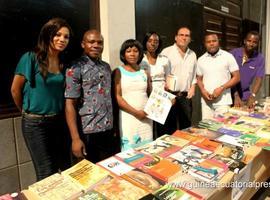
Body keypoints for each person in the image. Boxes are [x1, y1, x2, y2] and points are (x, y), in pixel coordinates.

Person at [10, 18, 72, 180]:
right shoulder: (31, 58)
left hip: (58, 121)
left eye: (66, 37)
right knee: (46, 172)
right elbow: (15, 89)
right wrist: (25, 110)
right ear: (48, 35)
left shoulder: (63, 63)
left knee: (66, 167)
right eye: (58, 35)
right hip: (35, 124)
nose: (62, 40)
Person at [65, 30, 117, 163]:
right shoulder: (75, 67)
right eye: (91, 42)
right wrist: (76, 138)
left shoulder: (106, 67)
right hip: (87, 131)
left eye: (100, 42)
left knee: (107, 173)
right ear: (83, 44)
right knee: (89, 176)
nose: (96, 45)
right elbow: (70, 104)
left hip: (107, 130)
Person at [114, 39, 153, 151]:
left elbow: (151, 95)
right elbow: (118, 97)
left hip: (146, 116)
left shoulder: (145, 73)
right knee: (130, 151)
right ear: (123, 54)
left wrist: (166, 100)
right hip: (128, 117)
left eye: (135, 51)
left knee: (147, 149)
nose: (132, 54)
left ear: (140, 53)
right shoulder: (118, 71)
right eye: (128, 51)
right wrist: (136, 113)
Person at [161, 27, 197, 134]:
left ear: (190, 39)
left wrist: (193, 87)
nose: (184, 38)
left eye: (187, 36)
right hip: (169, 95)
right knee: (169, 128)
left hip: (185, 96)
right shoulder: (166, 52)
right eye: (181, 35)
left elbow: (194, 75)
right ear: (176, 37)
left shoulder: (192, 54)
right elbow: (160, 73)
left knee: (186, 127)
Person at [196, 33, 240, 119]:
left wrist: (222, 88)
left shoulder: (228, 56)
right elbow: (199, 79)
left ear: (218, 42)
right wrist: (203, 91)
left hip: (223, 102)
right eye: (208, 42)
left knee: (221, 129)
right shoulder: (201, 59)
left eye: (214, 41)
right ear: (205, 44)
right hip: (206, 103)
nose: (211, 43)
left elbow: (237, 77)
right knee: (206, 129)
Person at [140, 31, 171, 138]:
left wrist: (169, 92)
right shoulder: (140, 59)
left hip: (162, 96)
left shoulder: (164, 59)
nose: (153, 44)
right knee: (149, 127)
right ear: (145, 42)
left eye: (156, 41)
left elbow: (169, 77)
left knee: (163, 128)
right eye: (150, 41)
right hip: (147, 94)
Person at [230, 31, 265, 108]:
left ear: (258, 44)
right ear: (244, 41)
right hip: (229, 94)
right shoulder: (233, 53)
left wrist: (252, 96)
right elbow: (228, 76)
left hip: (245, 96)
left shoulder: (259, 58)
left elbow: (259, 79)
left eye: (254, 42)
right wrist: (235, 95)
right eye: (249, 41)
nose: (251, 44)